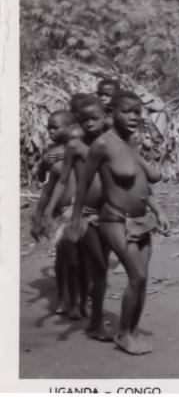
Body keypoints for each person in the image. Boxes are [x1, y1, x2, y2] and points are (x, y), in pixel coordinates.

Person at [66, 90, 168, 355]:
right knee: (138, 275)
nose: (134, 116)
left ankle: (131, 333)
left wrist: (158, 211)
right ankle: (123, 334)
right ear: (113, 114)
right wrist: (75, 220)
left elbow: (146, 182)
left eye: (138, 111)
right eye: (127, 111)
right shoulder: (102, 145)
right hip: (115, 220)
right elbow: (85, 182)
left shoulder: (131, 143)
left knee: (142, 280)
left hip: (142, 220)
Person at [47, 95, 113, 340]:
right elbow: (62, 179)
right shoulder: (75, 146)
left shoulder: (112, 142)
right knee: (84, 263)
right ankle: (85, 312)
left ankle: (86, 306)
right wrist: (47, 213)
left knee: (95, 265)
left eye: (94, 118)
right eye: (83, 119)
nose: (88, 124)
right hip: (82, 212)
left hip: (109, 214)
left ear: (105, 117)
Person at [31, 110, 83, 319]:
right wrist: (40, 216)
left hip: (77, 210)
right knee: (65, 258)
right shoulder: (51, 152)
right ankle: (64, 298)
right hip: (59, 212)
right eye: (49, 128)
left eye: (56, 127)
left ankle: (74, 299)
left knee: (75, 259)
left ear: (71, 127)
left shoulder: (80, 150)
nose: (51, 131)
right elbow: (46, 184)